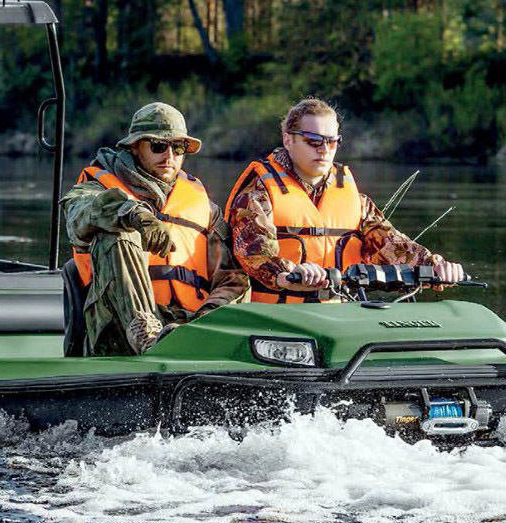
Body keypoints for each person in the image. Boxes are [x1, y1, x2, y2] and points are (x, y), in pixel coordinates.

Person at [225, 98, 464, 302]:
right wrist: (290, 271)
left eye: (332, 141)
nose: (324, 149)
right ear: (289, 140)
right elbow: (254, 253)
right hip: (276, 317)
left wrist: (433, 266)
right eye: (313, 140)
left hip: (342, 312)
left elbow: (390, 243)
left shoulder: (353, 198)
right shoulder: (257, 194)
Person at [62, 102, 248, 355]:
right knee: (120, 233)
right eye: (159, 146)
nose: (169, 156)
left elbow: (231, 278)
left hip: (187, 329)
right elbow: (78, 215)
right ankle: (146, 334)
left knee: (240, 273)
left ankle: (187, 338)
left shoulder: (204, 207)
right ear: (136, 147)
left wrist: (205, 322)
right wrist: (132, 213)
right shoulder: (97, 187)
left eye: (179, 147)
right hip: (113, 329)